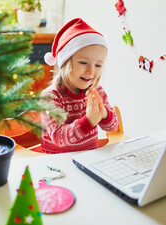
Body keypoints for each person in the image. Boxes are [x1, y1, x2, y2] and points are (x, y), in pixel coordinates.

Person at [41, 18, 119, 154]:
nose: (91, 71)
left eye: (98, 65)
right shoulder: (50, 97)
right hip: (58, 162)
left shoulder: (97, 91)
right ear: (65, 63)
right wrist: (88, 121)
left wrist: (103, 113)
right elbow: (59, 138)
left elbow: (112, 127)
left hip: (88, 158)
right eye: (83, 63)